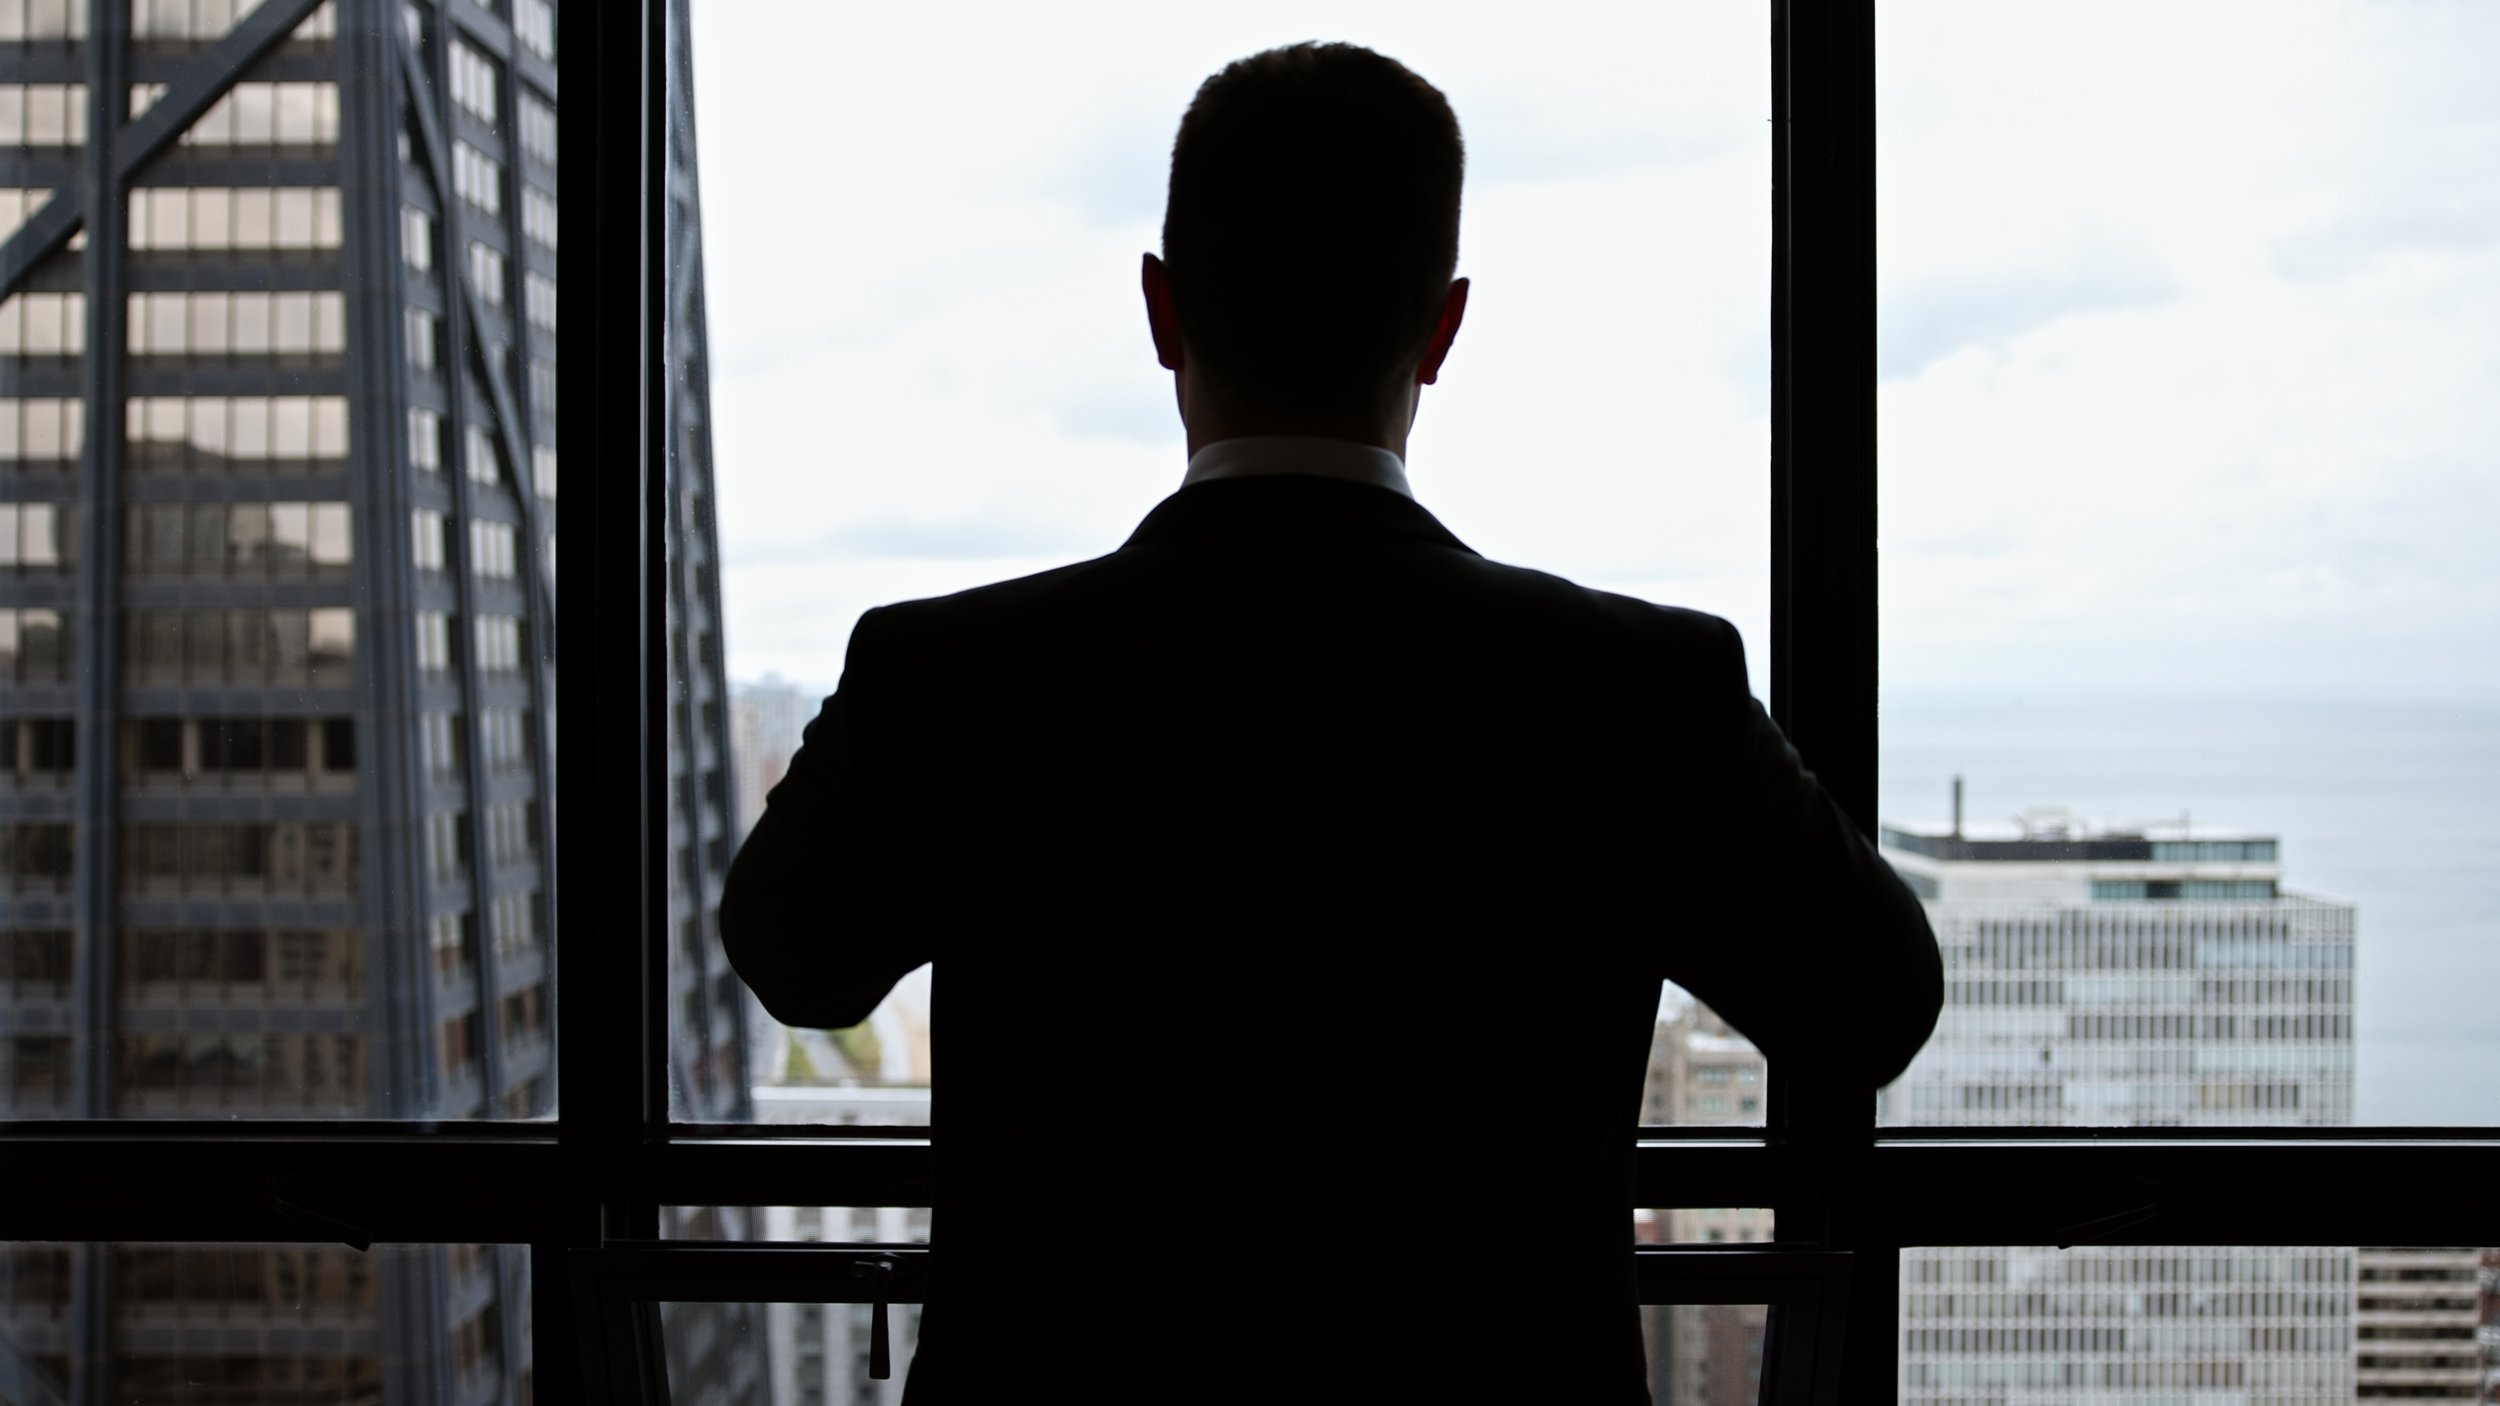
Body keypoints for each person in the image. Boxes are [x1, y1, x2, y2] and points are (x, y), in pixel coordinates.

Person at [722, 41, 1941, 1404]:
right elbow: (1875, 1007)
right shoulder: (1644, 688)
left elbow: (792, 960)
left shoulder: (947, 672)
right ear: (1441, 329)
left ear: (1163, 311)